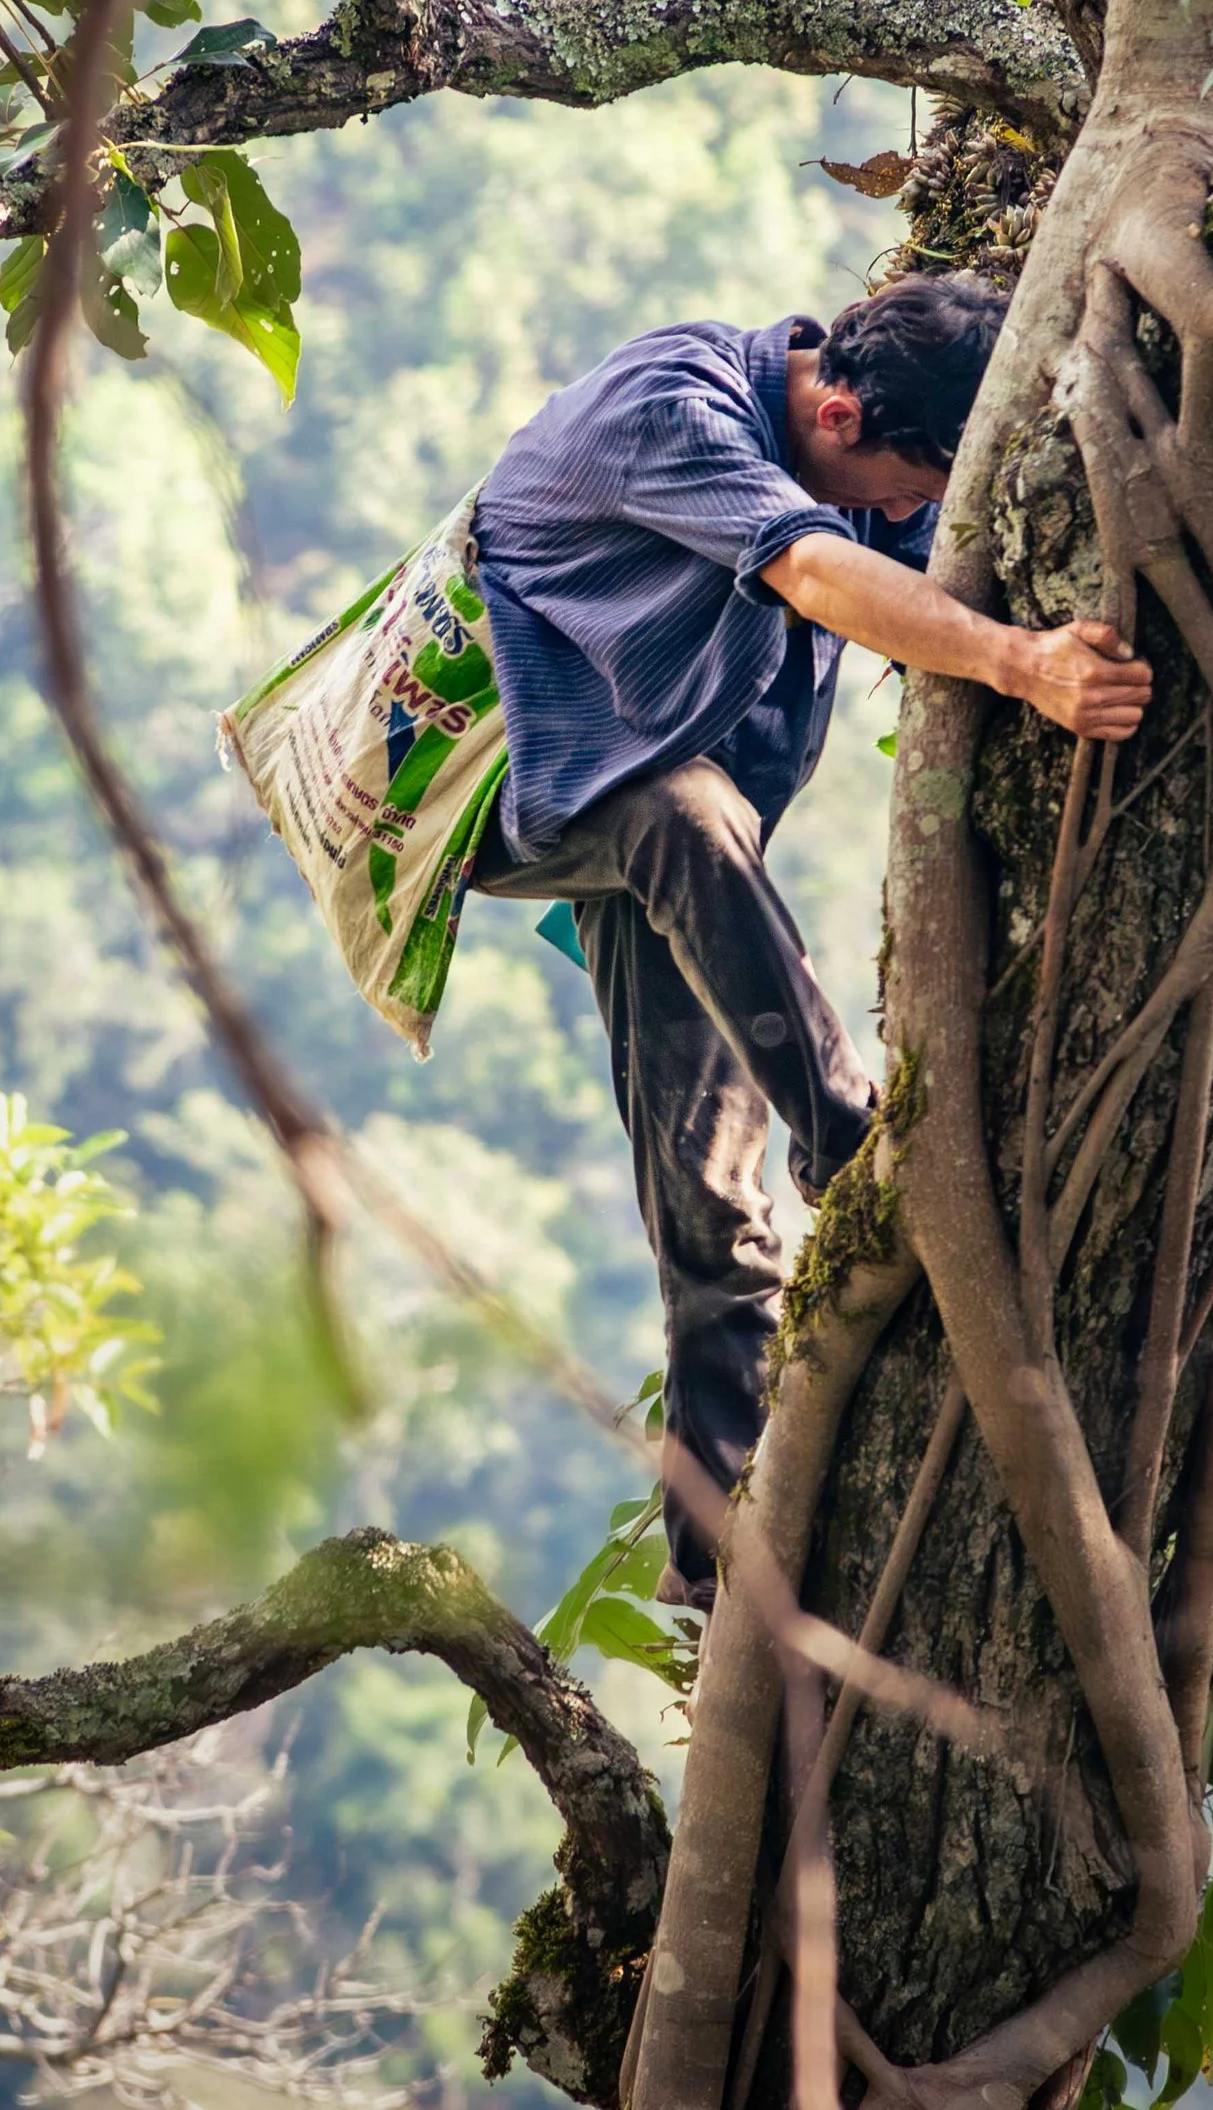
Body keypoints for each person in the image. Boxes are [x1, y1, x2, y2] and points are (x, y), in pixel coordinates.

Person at [468, 275, 1152, 1607]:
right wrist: (1019, 664)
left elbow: (896, 551)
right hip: (531, 795)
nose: (906, 519)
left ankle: (712, 1585)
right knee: (683, 815)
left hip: (679, 847)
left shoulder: (858, 436)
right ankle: (854, 1135)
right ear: (833, 409)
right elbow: (816, 568)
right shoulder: (671, 412)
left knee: (710, 1208)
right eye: (897, 487)